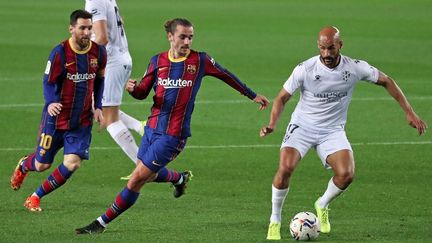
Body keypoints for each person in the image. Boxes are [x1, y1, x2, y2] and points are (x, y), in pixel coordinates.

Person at [75, 18, 269, 234]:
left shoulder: (200, 60)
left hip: (174, 136)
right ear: (170, 37)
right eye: (182, 37)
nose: (187, 41)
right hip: (151, 129)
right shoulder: (158, 61)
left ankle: (100, 223)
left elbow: (226, 75)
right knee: (146, 175)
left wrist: (251, 95)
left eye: (190, 37)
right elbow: (142, 94)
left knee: (137, 178)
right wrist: (133, 89)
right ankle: (179, 178)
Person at [261, 26, 428, 240]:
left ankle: (322, 204)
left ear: (340, 45)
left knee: (346, 174)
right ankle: (274, 220)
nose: (327, 54)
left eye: (331, 48)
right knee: (285, 167)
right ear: (318, 47)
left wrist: (409, 113)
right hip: (302, 126)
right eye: (322, 48)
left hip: (332, 130)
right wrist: (273, 123)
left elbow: (387, 81)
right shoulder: (305, 69)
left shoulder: (355, 68)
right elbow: (282, 97)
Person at [10, 9, 107, 212]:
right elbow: (48, 81)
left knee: (72, 163)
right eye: (82, 28)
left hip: (81, 120)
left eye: (89, 28)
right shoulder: (60, 53)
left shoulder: (99, 52)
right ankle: (23, 165)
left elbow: (99, 80)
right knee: (41, 165)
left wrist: (98, 106)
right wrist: (52, 101)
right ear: (71, 28)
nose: (87, 32)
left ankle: (35, 197)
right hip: (56, 119)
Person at [85, 0, 143, 180]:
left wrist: (81, 53)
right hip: (119, 58)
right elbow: (120, 22)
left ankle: (142, 167)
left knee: (109, 119)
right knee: (98, 105)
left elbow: (102, 38)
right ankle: (140, 126)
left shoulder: (94, 0)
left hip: (112, 62)